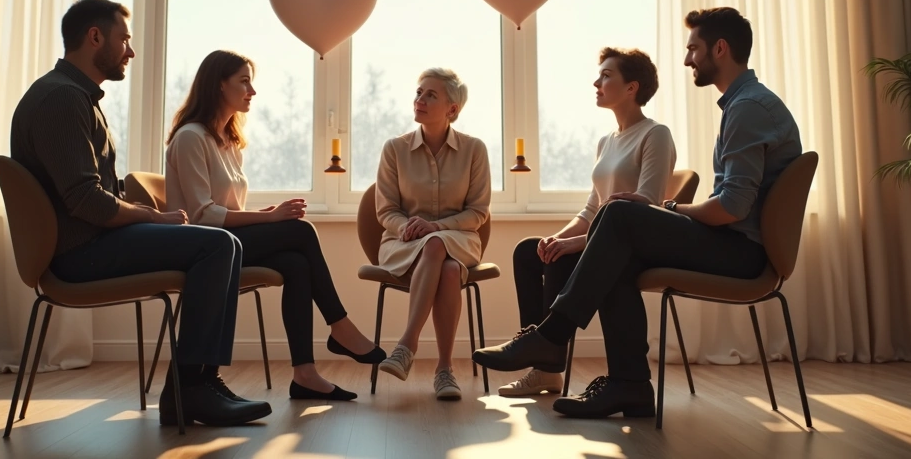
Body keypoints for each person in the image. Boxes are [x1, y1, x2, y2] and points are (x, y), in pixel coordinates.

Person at [473, 7, 802, 419]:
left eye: (694, 49)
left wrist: (672, 208)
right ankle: (629, 386)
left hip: (744, 254)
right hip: (735, 244)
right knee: (618, 252)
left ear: (720, 48)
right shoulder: (742, 105)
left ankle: (551, 337)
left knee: (620, 215)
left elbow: (732, 207)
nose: (688, 60)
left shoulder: (748, 108)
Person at [10, 0, 270, 427]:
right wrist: (151, 216)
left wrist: (142, 212)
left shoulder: (75, 96)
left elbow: (91, 193)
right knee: (218, 245)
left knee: (224, 244)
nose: (130, 51)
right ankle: (191, 390)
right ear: (95, 37)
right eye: (125, 39)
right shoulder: (62, 99)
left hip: (92, 241)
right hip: (78, 254)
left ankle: (201, 383)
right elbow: (86, 200)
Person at [164, 50, 386, 402]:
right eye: (244, 82)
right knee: (301, 231)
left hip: (225, 243)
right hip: (200, 248)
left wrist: (261, 215)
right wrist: (267, 218)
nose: (252, 91)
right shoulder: (191, 137)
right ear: (219, 84)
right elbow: (203, 215)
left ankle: (305, 375)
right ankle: (340, 326)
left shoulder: (229, 143)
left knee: (296, 264)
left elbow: (227, 210)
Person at [499, 47, 676, 398]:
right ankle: (543, 364)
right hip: (603, 240)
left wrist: (573, 245)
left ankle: (547, 365)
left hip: (635, 246)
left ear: (632, 87)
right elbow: (592, 208)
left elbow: (647, 207)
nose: (597, 82)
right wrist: (557, 238)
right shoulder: (606, 141)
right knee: (530, 252)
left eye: (607, 76)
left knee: (561, 256)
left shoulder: (655, 134)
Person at [372, 68, 492, 401]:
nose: (420, 100)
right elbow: (386, 211)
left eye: (430, 95)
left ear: (452, 108)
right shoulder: (394, 149)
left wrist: (436, 228)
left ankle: (406, 345)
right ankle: (444, 371)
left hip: (459, 239)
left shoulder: (474, 150)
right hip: (404, 243)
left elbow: (478, 212)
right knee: (448, 270)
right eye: (418, 92)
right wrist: (408, 228)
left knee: (437, 245)